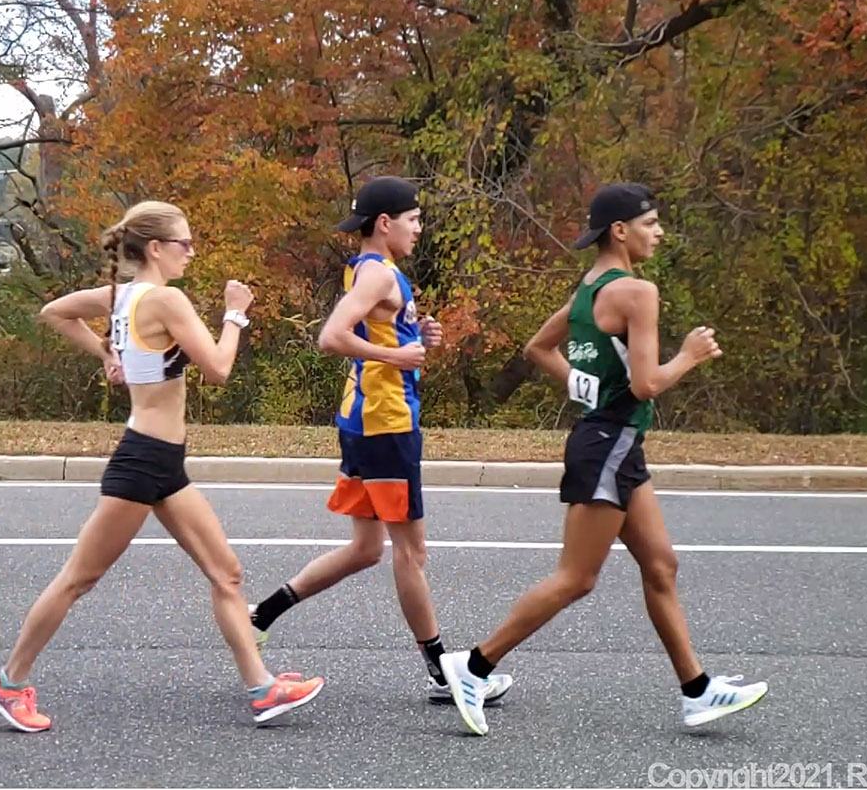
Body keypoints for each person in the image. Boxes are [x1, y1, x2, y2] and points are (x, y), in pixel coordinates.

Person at [0, 200, 326, 731]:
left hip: (165, 463)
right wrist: (236, 312)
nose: (192, 252)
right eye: (185, 243)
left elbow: (56, 311)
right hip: (142, 461)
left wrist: (107, 353)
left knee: (226, 573)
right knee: (78, 578)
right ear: (158, 248)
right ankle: (10, 681)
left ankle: (262, 689)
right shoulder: (166, 300)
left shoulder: (119, 297)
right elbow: (218, 369)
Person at [438, 182, 768, 736]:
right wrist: (688, 357)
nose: (659, 232)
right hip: (609, 443)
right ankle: (471, 667)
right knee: (576, 578)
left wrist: (579, 384)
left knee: (661, 564)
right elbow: (645, 384)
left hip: (612, 443)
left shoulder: (589, 290)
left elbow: (537, 349)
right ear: (620, 230)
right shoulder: (638, 293)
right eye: (650, 223)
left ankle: (697, 690)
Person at [247, 176, 513, 704]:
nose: (419, 228)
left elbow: (374, 334)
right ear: (385, 223)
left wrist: (419, 338)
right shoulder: (377, 274)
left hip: (363, 420)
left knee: (366, 549)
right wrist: (398, 356)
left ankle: (260, 615)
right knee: (410, 553)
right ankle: (445, 673)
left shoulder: (366, 271)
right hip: (386, 426)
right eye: (413, 219)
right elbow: (331, 337)